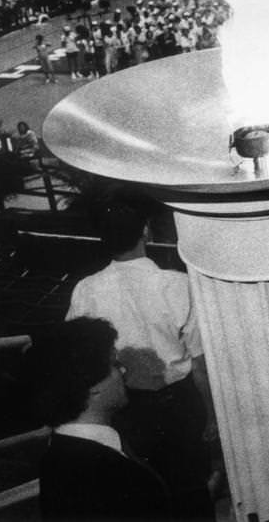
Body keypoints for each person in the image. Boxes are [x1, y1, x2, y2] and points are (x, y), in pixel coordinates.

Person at [66, 189, 216, 519]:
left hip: (123, 409)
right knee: (190, 492)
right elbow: (201, 363)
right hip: (178, 404)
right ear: (146, 230)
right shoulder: (177, 284)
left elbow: (80, 361)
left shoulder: (86, 290)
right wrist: (211, 415)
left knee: (141, 499)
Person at [23, 317, 173, 521]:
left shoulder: (57, 455)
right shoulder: (114, 475)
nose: (123, 370)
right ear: (93, 387)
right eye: (115, 365)